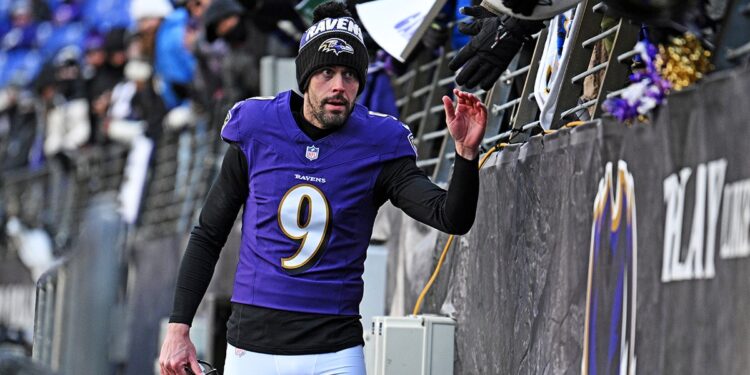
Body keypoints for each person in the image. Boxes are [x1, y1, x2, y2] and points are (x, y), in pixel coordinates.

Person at [158, 2, 488, 374]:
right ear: (305, 77)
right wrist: (178, 327)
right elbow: (208, 234)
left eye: (350, 75)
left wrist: (465, 153)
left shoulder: (378, 142)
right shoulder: (257, 127)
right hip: (254, 347)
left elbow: (451, 216)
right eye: (326, 72)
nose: (338, 86)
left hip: (333, 352)